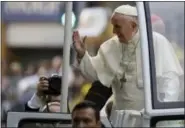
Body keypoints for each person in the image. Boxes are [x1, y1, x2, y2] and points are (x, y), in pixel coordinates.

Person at [73, 4, 183, 126]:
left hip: (151, 119)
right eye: (113, 26)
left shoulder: (156, 42)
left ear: (133, 26)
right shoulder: (110, 46)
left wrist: (161, 111)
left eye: (117, 27)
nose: (114, 31)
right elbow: (95, 73)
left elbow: (170, 81)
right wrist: (83, 55)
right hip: (122, 120)